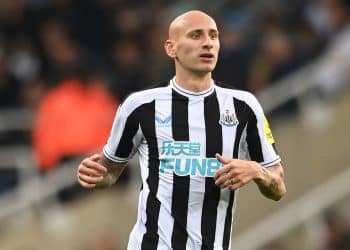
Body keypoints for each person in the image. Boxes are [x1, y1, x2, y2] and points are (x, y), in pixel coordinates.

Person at [77, 10, 286, 250]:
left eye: (213, 36)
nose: (207, 42)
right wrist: (95, 174)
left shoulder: (244, 106)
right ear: (170, 48)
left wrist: (256, 170)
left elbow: (278, 186)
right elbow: (110, 172)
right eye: (196, 35)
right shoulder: (140, 106)